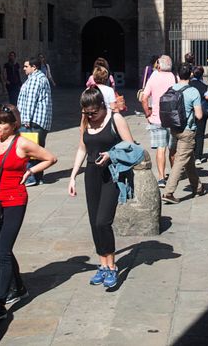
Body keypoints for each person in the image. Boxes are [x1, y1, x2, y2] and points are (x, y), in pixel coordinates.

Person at [0, 107, 57, 320]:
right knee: (4, 250)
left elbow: (50, 158)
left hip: (14, 200)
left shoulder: (22, 143)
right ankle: (19, 288)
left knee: (3, 252)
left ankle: (0, 303)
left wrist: (30, 171)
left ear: (13, 125)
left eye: (2, 123)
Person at [67, 86, 137, 290]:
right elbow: (82, 148)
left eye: (93, 112)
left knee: (103, 221)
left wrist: (111, 154)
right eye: (86, 112)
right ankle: (103, 265)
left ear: (102, 106)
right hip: (92, 174)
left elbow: (131, 147)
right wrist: (73, 176)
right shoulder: (85, 121)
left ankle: (112, 266)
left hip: (111, 175)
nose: (90, 116)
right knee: (93, 222)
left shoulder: (116, 120)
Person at [161, 63, 205, 205]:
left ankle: (197, 187)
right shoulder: (193, 91)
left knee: (188, 160)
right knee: (181, 160)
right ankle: (168, 192)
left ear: (177, 74)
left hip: (174, 128)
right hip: (187, 130)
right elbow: (199, 115)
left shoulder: (171, 89)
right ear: (191, 74)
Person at [140, 54, 176, 185]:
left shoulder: (154, 77)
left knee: (161, 148)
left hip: (157, 118)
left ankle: (161, 177)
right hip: (172, 118)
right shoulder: (174, 77)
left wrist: (147, 113)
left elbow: (144, 98)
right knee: (173, 149)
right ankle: (174, 175)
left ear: (159, 65)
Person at [17, 57, 53, 186]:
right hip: (39, 121)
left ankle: (30, 178)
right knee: (38, 151)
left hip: (33, 122)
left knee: (30, 151)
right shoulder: (40, 78)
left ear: (34, 67)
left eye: (26, 66)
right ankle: (38, 177)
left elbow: (30, 101)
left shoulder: (35, 79)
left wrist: (26, 119)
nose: (24, 68)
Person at [189, 66, 208, 162]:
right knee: (200, 134)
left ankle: (190, 153)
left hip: (190, 111)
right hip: (202, 111)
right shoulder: (205, 86)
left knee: (189, 133)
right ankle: (198, 156)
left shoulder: (188, 85)